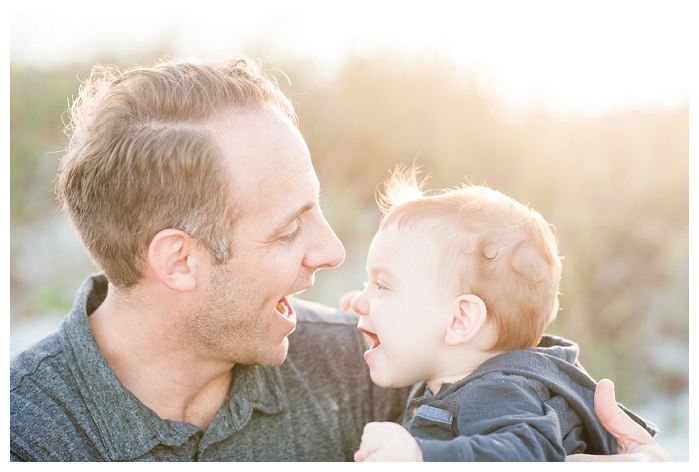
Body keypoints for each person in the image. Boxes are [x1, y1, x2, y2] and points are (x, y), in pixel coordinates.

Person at [10, 57, 671, 462]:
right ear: (178, 262)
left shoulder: (360, 369)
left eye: (318, 210)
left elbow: (515, 398)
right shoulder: (30, 437)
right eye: (289, 228)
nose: (331, 250)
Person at [349, 168, 659, 461]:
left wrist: (420, 456)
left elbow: (527, 454)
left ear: (460, 320)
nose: (358, 303)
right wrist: (379, 309)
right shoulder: (459, 376)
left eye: (381, 284)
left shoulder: (498, 392)